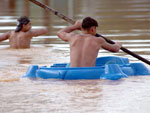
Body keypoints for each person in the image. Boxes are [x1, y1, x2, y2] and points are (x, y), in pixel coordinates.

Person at [57, 17, 122, 67]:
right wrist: (118, 44)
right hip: (89, 74)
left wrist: (75, 26)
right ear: (92, 29)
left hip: (71, 73)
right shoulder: (98, 40)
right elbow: (115, 49)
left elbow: (60, 33)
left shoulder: (72, 37)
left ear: (82, 28)